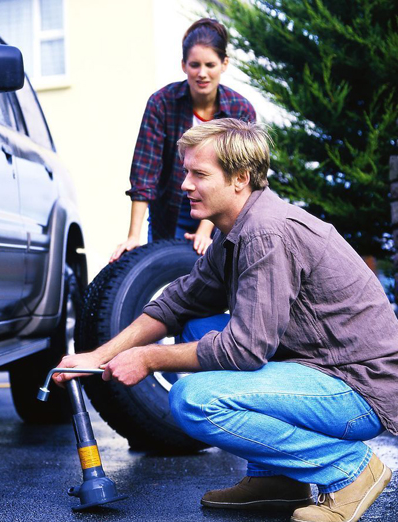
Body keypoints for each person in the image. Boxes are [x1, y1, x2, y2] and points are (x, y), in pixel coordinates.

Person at [57, 119, 398, 522]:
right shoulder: (234, 230)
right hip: (317, 369)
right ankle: (278, 479)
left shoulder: (264, 233)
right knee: (197, 326)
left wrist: (148, 359)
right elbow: (178, 302)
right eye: (186, 172)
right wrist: (97, 355)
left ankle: (350, 470)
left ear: (240, 179)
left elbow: (246, 349)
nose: (184, 184)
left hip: (358, 389)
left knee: (194, 400)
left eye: (199, 174)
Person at [110, 18, 256, 263]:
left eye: (210, 64)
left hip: (224, 212)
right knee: (166, 278)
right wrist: (133, 236)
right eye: (194, 65)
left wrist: (206, 228)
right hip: (172, 210)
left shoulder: (241, 111)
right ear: (183, 65)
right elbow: (145, 172)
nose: (202, 73)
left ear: (224, 64)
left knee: (215, 277)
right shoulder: (161, 103)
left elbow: (237, 178)